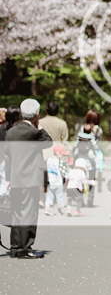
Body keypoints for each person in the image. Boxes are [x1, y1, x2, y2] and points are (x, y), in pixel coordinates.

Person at [5, 98, 53, 259]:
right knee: (30, 213)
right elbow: (48, 141)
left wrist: (8, 177)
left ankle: (15, 247)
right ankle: (26, 248)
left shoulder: (11, 132)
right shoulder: (34, 132)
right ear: (36, 115)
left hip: (16, 176)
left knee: (17, 212)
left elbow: (7, 156)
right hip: (30, 177)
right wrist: (39, 125)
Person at [72, 131, 98, 207]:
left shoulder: (79, 140)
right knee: (91, 183)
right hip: (90, 166)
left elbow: (74, 151)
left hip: (80, 166)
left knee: (81, 183)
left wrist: (74, 164)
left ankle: (81, 200)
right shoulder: (91, 140)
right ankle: (90, 200)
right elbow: (96, 148)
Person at [0, 105, 21, 197]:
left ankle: (3, 204)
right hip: (18, 161)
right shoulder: (20, 130)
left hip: (4, 161)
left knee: (4, 183)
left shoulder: (2, 129)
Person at [45, 144, 69, 216]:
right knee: (59, 197)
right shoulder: (59, 162)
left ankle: (47, 209)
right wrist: (66, 179)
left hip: (50, 182)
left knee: (49, 196)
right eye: (62, 154)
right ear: (58, 153)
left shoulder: (48, 160)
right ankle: (59, 210)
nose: (63, 156)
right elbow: (63, 172)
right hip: (58, 183)